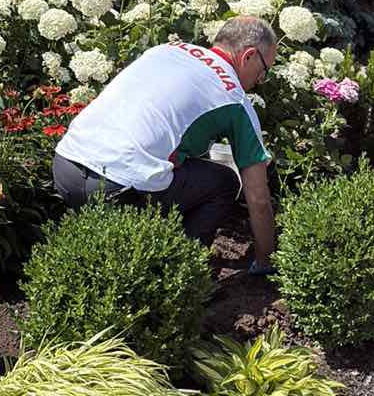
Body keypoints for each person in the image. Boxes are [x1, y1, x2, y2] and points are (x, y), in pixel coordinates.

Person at [53, 15, 277, 273]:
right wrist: (266, 261)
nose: (259, 82)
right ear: (248, 56)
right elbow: (258, 198)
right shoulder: (234, 98)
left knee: (182, 168)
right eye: (263, 73)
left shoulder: (166, 50)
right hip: (117, 189)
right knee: (224, 182)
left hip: (66, 166)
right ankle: (178, 272)